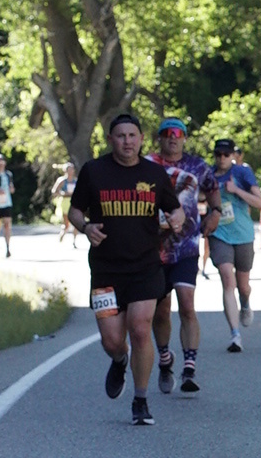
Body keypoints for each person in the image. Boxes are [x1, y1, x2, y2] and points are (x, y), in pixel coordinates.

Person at [69, 111, 185, 427]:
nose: (127, 142)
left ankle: (141, 400)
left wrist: (177, 219)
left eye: (132, 136)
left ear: (141, 139)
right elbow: (75, 211)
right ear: (110, 140)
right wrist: (85, 227)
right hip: (106, 271)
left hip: (145, 267)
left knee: (140, 328)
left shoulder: (155, 174)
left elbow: (175, 209)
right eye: (121, 136)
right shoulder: (94, 171)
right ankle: (120, 360)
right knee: (112, 341)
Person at [148, 117, 216, 396]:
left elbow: (213, 189)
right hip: (153, 249)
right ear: (160, 138)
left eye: (178, 133)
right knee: (161, 310)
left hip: (186, 247)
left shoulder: (197, 166)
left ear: (185, 138)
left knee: (187, 305)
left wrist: (215, 213)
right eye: (167, 133)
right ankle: (165, 360)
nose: (173, 138)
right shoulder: (148, 165)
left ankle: (189, 368)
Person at [208, 138, 261, 350]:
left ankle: (245, 302)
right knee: (227, 279)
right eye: (218, 154)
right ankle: (235, 334)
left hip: (242, 234)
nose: (222, 158)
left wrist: (236, 190)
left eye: (226, 154)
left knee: (243, 286)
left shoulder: (242, 173)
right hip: (219, 234)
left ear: (233, 155)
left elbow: (259, 202)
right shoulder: (208, 175)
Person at [52, 164, 79, 244]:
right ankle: (62, 234)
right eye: (69, 170)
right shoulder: (62, 181)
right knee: (66, 223)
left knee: (76, 223)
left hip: (74, 202)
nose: (71, 171)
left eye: (72, 169)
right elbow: (54, 191)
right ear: (65, 171)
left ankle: (74, 241)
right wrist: (63, 193)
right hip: (65, 203)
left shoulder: (76, 181)